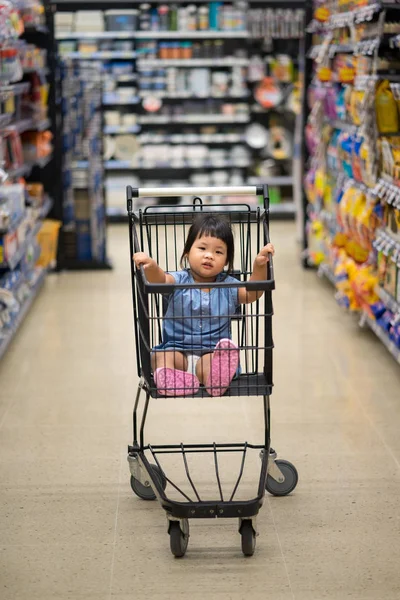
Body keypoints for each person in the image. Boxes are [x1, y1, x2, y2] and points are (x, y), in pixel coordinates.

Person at [133, 214, 274, 397]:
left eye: (218, 252)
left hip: (211, 351)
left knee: (212, 362)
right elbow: (160, 280)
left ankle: (214, 380)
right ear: (187, 252)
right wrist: (151, 266)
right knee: (161, 357)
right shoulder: (178, 280)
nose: (209, 255)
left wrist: (259, 267)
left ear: (226, 261)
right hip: (177, 350)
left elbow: (251, 293)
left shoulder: (228, 286)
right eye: (202, 248)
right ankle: (169, 378)